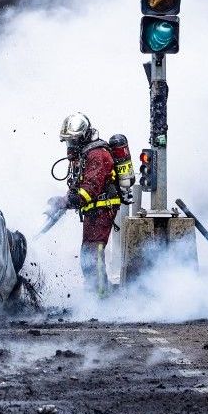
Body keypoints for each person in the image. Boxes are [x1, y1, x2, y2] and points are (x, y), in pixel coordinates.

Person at [49, 113, 122, 296]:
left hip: (102, 210)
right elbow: (77, 186)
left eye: (72, 141)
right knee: (88, 254)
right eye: (68, 141)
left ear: (82, 137)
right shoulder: (85, 154)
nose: (70, 146)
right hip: (93, 211)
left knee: (93, 254)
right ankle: (96, 293)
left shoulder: (98, 154)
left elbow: (89, 189)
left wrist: (67, 202)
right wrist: (62, 201)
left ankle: (100, 298)